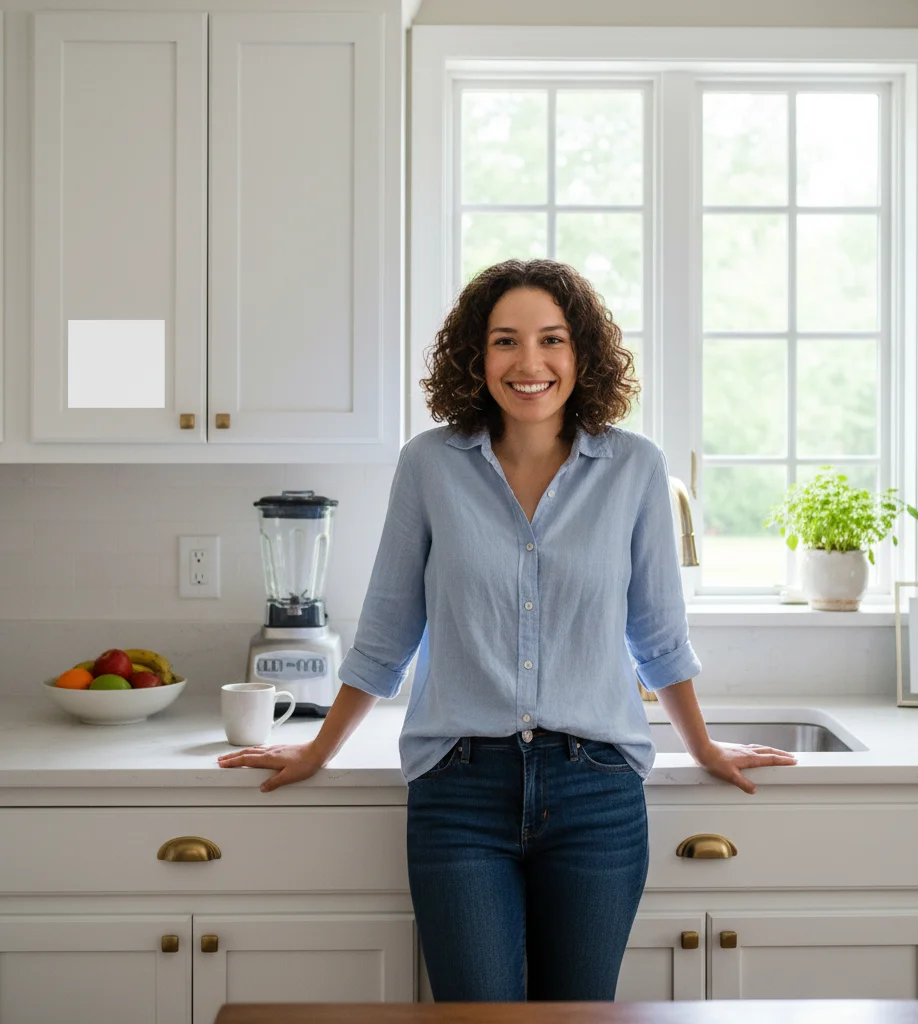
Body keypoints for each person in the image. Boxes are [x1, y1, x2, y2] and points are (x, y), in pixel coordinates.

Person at [217, 258, 798, 1001]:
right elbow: (389, 630)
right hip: (459, 794)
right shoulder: (429, 465)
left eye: (552, 340)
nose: (530, 363)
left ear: (581, 354)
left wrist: (704, 745)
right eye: (505, 341)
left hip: (597, 794)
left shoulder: (635, 469)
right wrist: (320, 747)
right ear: (475, 356)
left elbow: (656, 634)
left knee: (576, 1016)